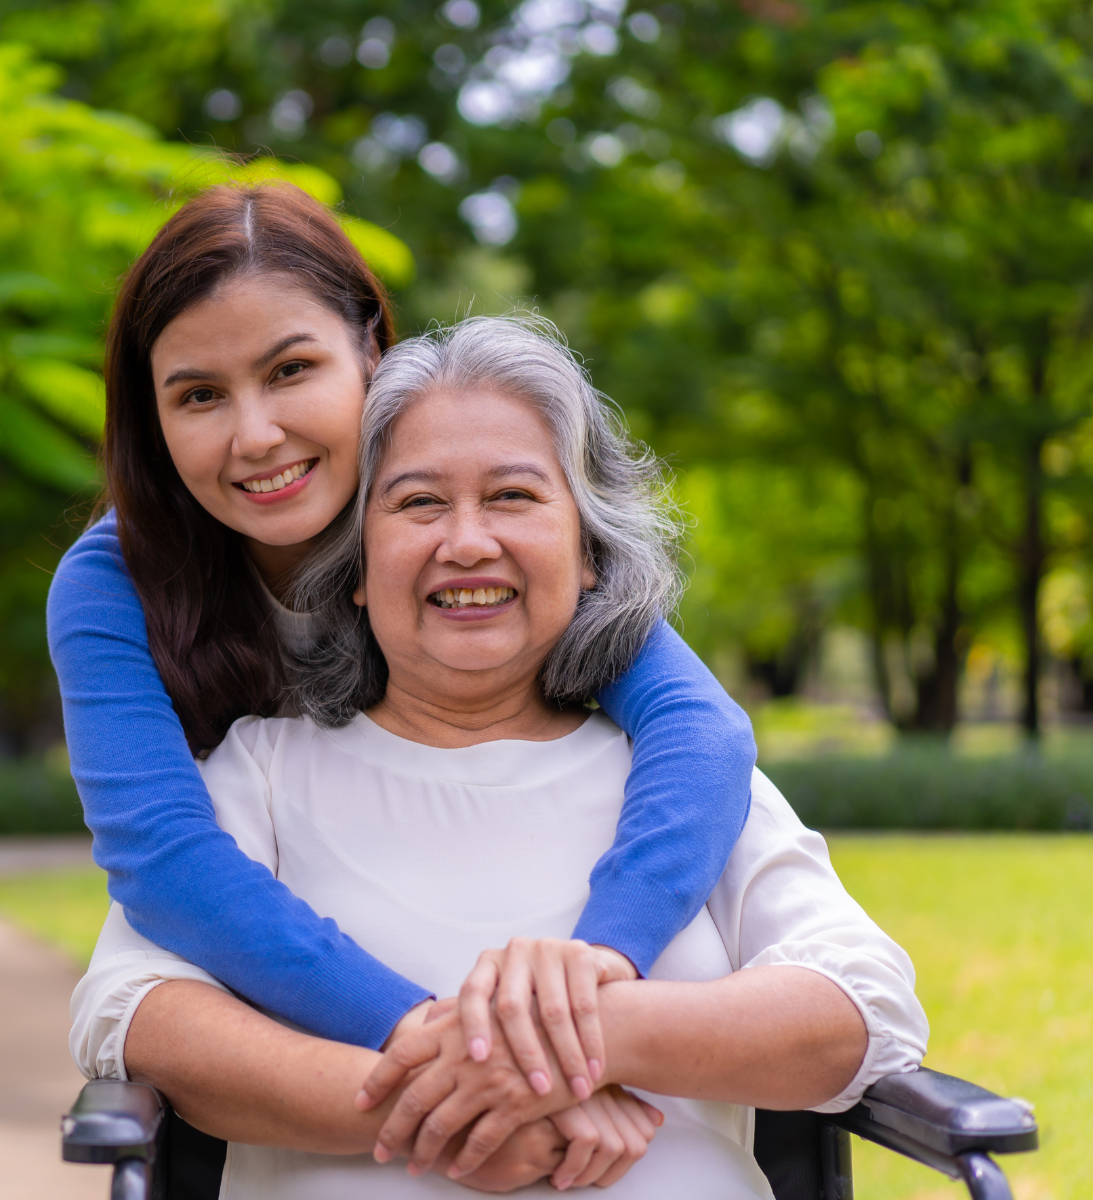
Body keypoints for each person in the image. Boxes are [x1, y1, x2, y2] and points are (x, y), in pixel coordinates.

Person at [69, 316, 928, 1196]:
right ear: (356, 566)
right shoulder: (263, 772)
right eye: (418, 503)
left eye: (514, 496)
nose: (467, 542)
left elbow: (866, 1006)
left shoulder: (679, 779)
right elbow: (134, 1011)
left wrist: (590, 1029)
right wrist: (454, 1114)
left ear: (588, 550)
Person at [45, 182, 758, 1165]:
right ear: (152, 420)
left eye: (289, 370)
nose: (255, 435)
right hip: (269, 1007)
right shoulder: (114, 581)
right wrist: (451, 1049)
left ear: (370, 357)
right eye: (200, 395)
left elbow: (701, 732)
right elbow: (168, 863)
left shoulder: (471, 527)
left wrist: (598, 970)